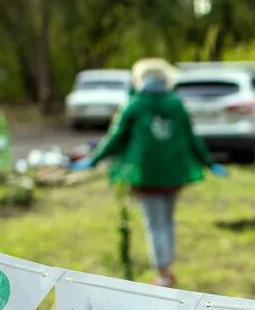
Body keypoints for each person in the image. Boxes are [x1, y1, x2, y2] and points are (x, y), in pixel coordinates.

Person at [74, 58, 227, 287]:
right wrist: (207, 161)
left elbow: (116, 138)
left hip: (145, 175)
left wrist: (93, 159)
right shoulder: (176, 104)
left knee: (154, 222)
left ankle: (163, 272)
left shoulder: (134, 105)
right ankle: (168, 268)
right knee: (167, 219)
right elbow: (192, 138)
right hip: (174, 174)